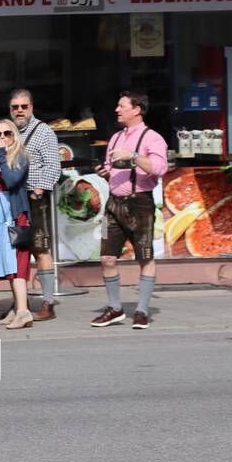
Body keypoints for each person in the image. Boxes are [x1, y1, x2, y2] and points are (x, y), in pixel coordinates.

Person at [91, 91, 168, 330]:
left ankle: (142, 310)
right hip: (113, 204)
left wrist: (134, 156)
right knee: (106, 257)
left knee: (145, 257)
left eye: (121, 106)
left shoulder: (152, 138)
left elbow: (160, 167)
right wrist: (104, 171)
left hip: (140, 204)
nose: (117, 110)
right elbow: (109, 166)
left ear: (137, 109)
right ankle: (115, 308)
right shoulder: (114, 138)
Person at [9, 89, 63, 320]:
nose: (19, 111)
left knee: (40, 249)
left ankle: (48, 303)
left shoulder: (44, 132)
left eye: (24, 106)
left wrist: (39, 189)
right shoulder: (8, 131)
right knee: (18, 251)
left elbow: (54, 166)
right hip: (14, 197)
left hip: (34, 198)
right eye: (15, 107)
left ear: (31, 107)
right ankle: (20, 304)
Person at [0, 119, 35, 331]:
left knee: (17, 264)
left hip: (16, 216)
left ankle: (24, 311)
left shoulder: (20, 156)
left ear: (15, 135)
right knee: (9, 264)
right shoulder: (0, 158)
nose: (2, 137)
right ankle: (17, 308)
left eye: (7, 133)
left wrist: (1, 155)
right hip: (1, 214)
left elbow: (12, 181)